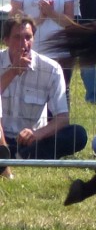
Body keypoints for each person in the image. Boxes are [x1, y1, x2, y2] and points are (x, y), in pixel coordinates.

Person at [0, 15, 87, 177]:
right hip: (1, 137)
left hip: (32, 141)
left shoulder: (51, 69)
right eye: (17, 38)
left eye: (28, 37)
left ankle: (21, 157)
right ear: (6, 40)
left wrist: (37, 134)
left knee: (78, 134)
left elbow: (62, 118)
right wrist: (12, 71)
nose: (23, 44)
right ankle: (12, 156)